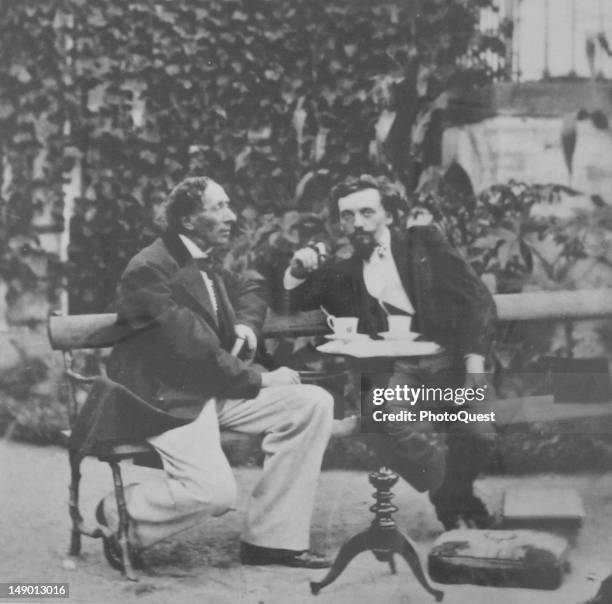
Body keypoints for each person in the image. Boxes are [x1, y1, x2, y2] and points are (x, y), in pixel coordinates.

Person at [96, 176, 334, 569]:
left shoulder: (206, 259)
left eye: (228, 205)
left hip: (211, 389)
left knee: (312, 403)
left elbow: (253, 287)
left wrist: (245, 327)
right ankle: (120, 513)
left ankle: (273, 539)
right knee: (216, 493)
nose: (232, 215)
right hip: (166, 398)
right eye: (219, 207)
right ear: (188, 220)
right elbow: (188, 349)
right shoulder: (149, 269)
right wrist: (259, 379)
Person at [283, 174, 497, 530]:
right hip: (397, 370)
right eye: (347, 216)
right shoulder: (347, 270)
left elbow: (478, 300)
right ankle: (448, 492)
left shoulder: (424, 243)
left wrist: (475, 365)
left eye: (367, 212)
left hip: (450, 362)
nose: (357, 223)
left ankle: (453, 498)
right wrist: (296, 269)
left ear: (390, 216)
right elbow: (298, 301)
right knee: (382, 417)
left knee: (478, 430)